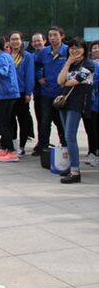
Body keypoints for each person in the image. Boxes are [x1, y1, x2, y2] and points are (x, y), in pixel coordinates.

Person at [56, 38, 94, 183]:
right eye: (71, 47)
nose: (74, 50)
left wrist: (65, 81)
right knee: (67, 136)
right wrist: (68, 63)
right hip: (64, 102)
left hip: (78, 103)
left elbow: (75, 81)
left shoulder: (88, 64)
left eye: (77, 47)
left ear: (84, 49)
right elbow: (60, 81)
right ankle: (72, 165)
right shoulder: (70, 64)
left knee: (70, 136)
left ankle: (75, 172)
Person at [33, 26, 68, 155]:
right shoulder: (44, 52)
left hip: (62, 93)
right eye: (50, 36)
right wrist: (39, 77)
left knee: (62, 121)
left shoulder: (67, 51)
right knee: (45, 121)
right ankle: (43, 147)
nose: (52, 38)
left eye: (55, 35)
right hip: (47, 92)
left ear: (62, 36)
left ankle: (65, 146)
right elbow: (36, 65)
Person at [8, 32, 35, 156]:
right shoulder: (6, 56)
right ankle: (13, 143)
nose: (15, 41)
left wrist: (28, 92)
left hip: (21, 92)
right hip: (8, 93)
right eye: (12, 39)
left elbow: (30, 75)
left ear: (21, 41)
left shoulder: (27, 56)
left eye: (17, 39)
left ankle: (22, 146)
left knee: (23, 120)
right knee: (10, 120)